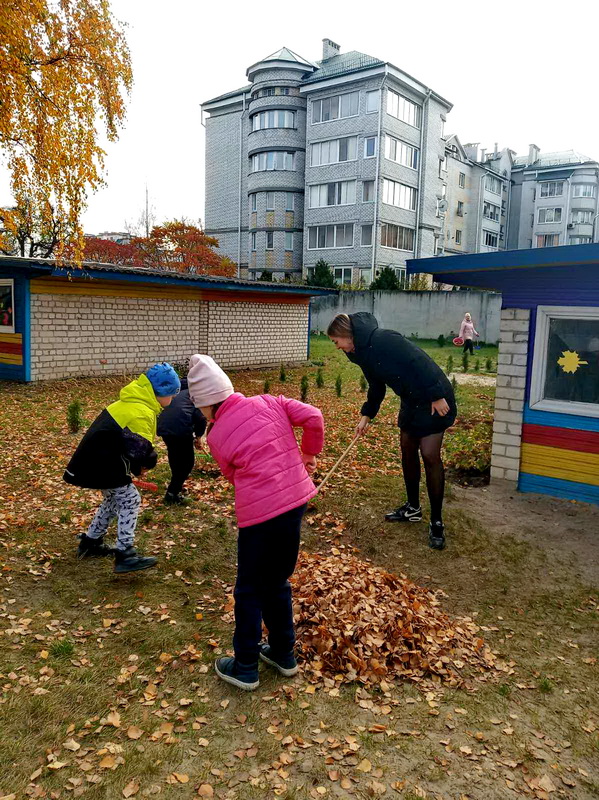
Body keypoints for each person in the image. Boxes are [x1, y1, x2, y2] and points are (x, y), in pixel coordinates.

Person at [187, 353, 324, 691]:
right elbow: (314, 416)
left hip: (259, 518)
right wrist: (309, 452)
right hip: (294, 504)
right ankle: (283, 653)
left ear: (206, 404)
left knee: (249, 588)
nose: (201, 415)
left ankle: (245, 665)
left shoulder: (216, 437)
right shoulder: (270, 401)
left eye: (201, 408)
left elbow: (232, 475)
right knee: (277, 580)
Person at [327, 312, 456, 550]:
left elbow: (419, 360)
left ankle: (436, 521)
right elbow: (377, 385)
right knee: (407, 450)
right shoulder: (358, 353)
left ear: (346, 334)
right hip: (411, 400)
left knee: (429, 455)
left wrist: (436, 395)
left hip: (433, 397)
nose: (336, 347)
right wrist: (367, 414)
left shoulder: (384, 339)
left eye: (336, 341)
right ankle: (413, 508)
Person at [64, 363, 181, 573]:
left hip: (96, 461)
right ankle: (125, 553)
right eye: (171, 395)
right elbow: (137, 450)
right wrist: (144, 465)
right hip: (101, 464)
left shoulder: (131, 402)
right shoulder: (141, 411)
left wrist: (138, 464)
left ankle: (91, 542)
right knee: (130, 499)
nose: (171, 400)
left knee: (112, 500)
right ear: (159, 391)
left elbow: (129, 445)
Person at [157, 377, 207, 505]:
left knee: (175, 457)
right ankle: (172, 493)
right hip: (181, 429)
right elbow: (200, 417)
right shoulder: (195, 395)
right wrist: (199, 436)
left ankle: (177, 484)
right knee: (187, 463)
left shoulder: (177, 394)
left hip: (164, 428)